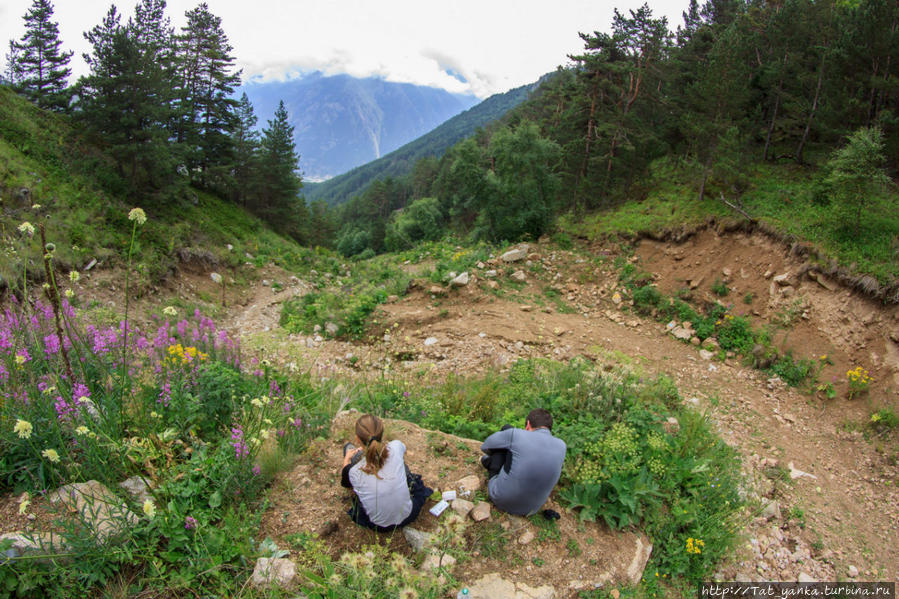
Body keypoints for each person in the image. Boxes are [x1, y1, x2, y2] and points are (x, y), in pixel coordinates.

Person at [340, 413, 432, 531]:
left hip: (379, 526)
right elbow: (401, 452)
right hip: (409, 515)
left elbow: (346, 484)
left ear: (358, 439)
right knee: (400, 463)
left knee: (347, 447)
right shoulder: (395, 446)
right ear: (382, 433)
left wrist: (347, 460)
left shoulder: (353, 472)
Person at [480, 408, 566, 516]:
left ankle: (490, 463)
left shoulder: (516, 434)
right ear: (549, 428)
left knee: (506, 431)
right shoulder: (562, 446)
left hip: (501, 499)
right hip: (531, 510)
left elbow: (485, 446)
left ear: (528, 424)